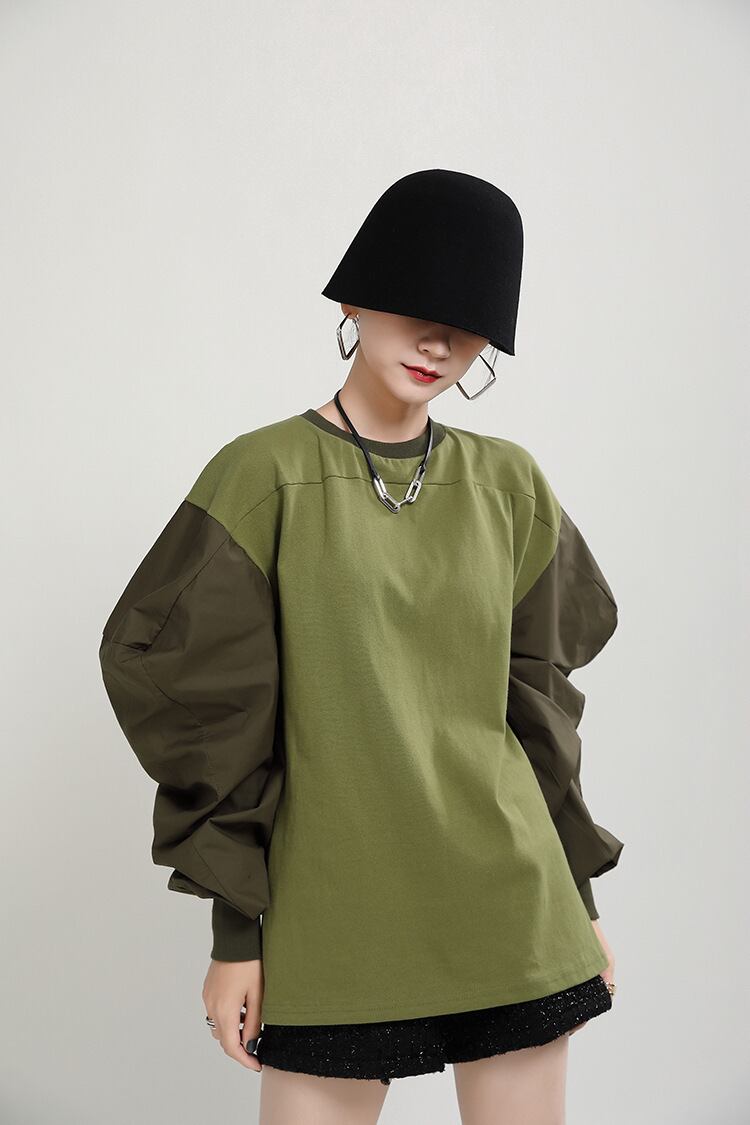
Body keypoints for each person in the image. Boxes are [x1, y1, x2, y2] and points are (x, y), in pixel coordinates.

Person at [98, 169, 623, 1125]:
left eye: (468, 325)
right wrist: (236, 932)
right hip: (336, 916)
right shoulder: (264, 476)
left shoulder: (509, 485)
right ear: (352, 298)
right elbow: (204, 706)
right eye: (417, 307)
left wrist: (578, 898)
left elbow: (539, 710)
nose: (438, 343)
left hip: (513, 906)